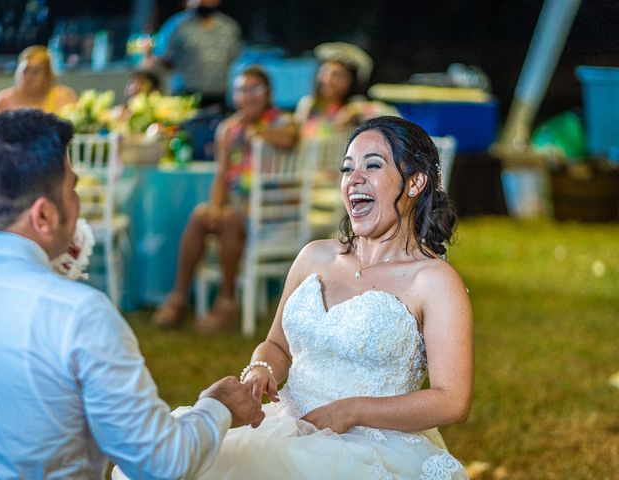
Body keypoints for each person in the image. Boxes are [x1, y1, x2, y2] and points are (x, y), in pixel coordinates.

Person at [0, 109, 264, 479]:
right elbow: (160, 463)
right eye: (73, 190)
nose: (77, 202)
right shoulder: (77, 314)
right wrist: (217, 407)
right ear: (44, 216)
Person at [198, 116, 474, 478]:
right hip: (286, 429)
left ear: (415, 182)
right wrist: (262, 370)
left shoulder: (434, 282)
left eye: (372, 165)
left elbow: (452, 400)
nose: (354, 178)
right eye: (347, 168)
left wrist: (351, 411)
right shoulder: (313, 257)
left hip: (372, 450)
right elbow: (277, 345)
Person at [153, 65, 299, 331]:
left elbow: (290, 138)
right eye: (242, 89)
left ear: (268, 93)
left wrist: (259, 133)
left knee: (231, 218)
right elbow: (222, 175)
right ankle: (179, 297)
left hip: (273, 208)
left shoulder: (281, 120)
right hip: (238, 203)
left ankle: (226, 301)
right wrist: (215, 207)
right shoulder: (228, 129)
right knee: (202, 214)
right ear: (234, 95)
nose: (249, 95)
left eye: (256, 89)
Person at [146, 0, 242, 106]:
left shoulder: (229, 27)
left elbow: (235, 60)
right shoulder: (176, 26)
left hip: (218, 99)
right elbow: (161, 58)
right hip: (184, 97)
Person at [0, 45, 77, 114]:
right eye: (25, 71)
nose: (28, 77)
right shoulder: (3, 101)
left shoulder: (65, 96)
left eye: (36, 72)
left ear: (47, 75)